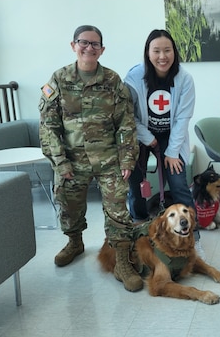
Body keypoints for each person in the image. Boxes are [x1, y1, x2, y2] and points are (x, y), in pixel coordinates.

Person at [39, 25, 143, 292]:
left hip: (109, 160)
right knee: (69, 205)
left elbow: (125, 124)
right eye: (83, 43)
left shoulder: (112, 80)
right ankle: (75, 242)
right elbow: (48, 126)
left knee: (119, 210)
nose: (88, 48)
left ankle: (121, 260)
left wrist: (127, 159)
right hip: (72, 161)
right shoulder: (59, 80)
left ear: (102, 50)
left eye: (95, 44)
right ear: (73, 45)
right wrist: (60, 162)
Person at [124, 29, 205, 258]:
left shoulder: (184, 79)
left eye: (167, 50)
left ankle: (193, 240)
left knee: (179, 183)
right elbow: (129, 116)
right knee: (136, 186)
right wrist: (147, 138)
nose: (162, 56)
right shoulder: (133, 78)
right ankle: (139, 230)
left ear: (174, 52)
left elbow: (182, 118)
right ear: (148, 53)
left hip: (172, 136)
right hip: (140, 135)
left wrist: (170, 153)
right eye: (156, 51)